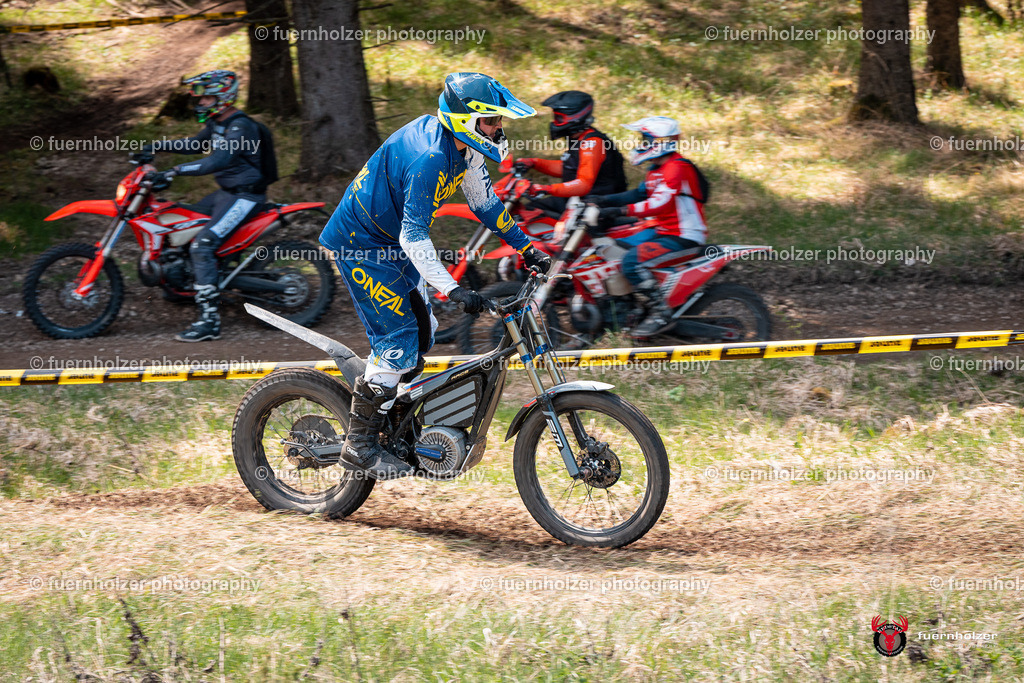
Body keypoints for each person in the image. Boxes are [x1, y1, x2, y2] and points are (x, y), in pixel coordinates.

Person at [319, 72, 552, 479]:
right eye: (491, 120)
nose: (499, 128)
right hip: (363, 244)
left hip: (390, 239)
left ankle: (392, 422)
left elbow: (484, 202)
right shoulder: (431, 158)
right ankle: (359, 446)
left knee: (425, 331)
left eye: (499, 120)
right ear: (466, 120)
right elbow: (414, 235)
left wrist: (526, 247)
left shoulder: (466, 147)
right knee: (398, 343)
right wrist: (452, 288)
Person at [146, 70, 272, 342]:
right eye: (200, 99)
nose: (200, 103)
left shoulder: (241, 126)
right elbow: (195, 145)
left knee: (201, 244)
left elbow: (217, 161)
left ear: (223, 97)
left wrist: (174, 171)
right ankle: (188, 286)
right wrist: (156, 146)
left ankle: (209, 321)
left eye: (206, 98)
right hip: (226, 194)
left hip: (246, 197)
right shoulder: (217, 122)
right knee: (181, 222)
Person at [585, 116, 708, 340]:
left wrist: (617, 211)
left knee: (631, 262)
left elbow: (659, 203)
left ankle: (661, 313)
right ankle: (629, 308)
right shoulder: (656, 169)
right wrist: (601, 200)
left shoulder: (677, 168)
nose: (641, 144)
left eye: (645, 140)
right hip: (663, 231)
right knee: (613, 250)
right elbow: (637, 194)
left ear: (661, 142)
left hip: (684, 236)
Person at [513, 90, 627, 215]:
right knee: (525, 212)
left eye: (559, 118)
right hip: (576, 201)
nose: (554, 123)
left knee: (533, 218)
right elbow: (569, 168)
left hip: (595, 207)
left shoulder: (592, 142)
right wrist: (534, 163)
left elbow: (583, 184)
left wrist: (547, 189)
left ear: (576, 118)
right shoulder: (578, 137)